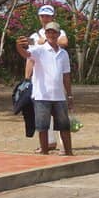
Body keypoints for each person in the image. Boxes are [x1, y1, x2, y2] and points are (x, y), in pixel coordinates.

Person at [16, 22, 74, 156]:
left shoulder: (63, 54)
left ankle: (69, 152)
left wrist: (69, 95)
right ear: (46, 34)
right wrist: (18, 46)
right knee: (42, 126)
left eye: (54, 32)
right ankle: (44, 152)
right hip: (42, 95)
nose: (51, 35)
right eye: (48, 32)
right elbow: (26, 54)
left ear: (58, 35)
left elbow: (66, 76)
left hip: (59, 96)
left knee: (64, 126)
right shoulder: (39, 50)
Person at [27, 5, 68, 150]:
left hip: (56, 80)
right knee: (43, 114)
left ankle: (64, 144)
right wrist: (27, 78)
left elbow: (64, 42)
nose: (45, 18)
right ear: (39, 17)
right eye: (43, 16)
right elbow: (29, 57)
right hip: (40, 80)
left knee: (60, 115)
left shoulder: (59, 32)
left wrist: (47, 40)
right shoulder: (34, 36)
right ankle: (49, 142)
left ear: (53, 17)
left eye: (48, 16)